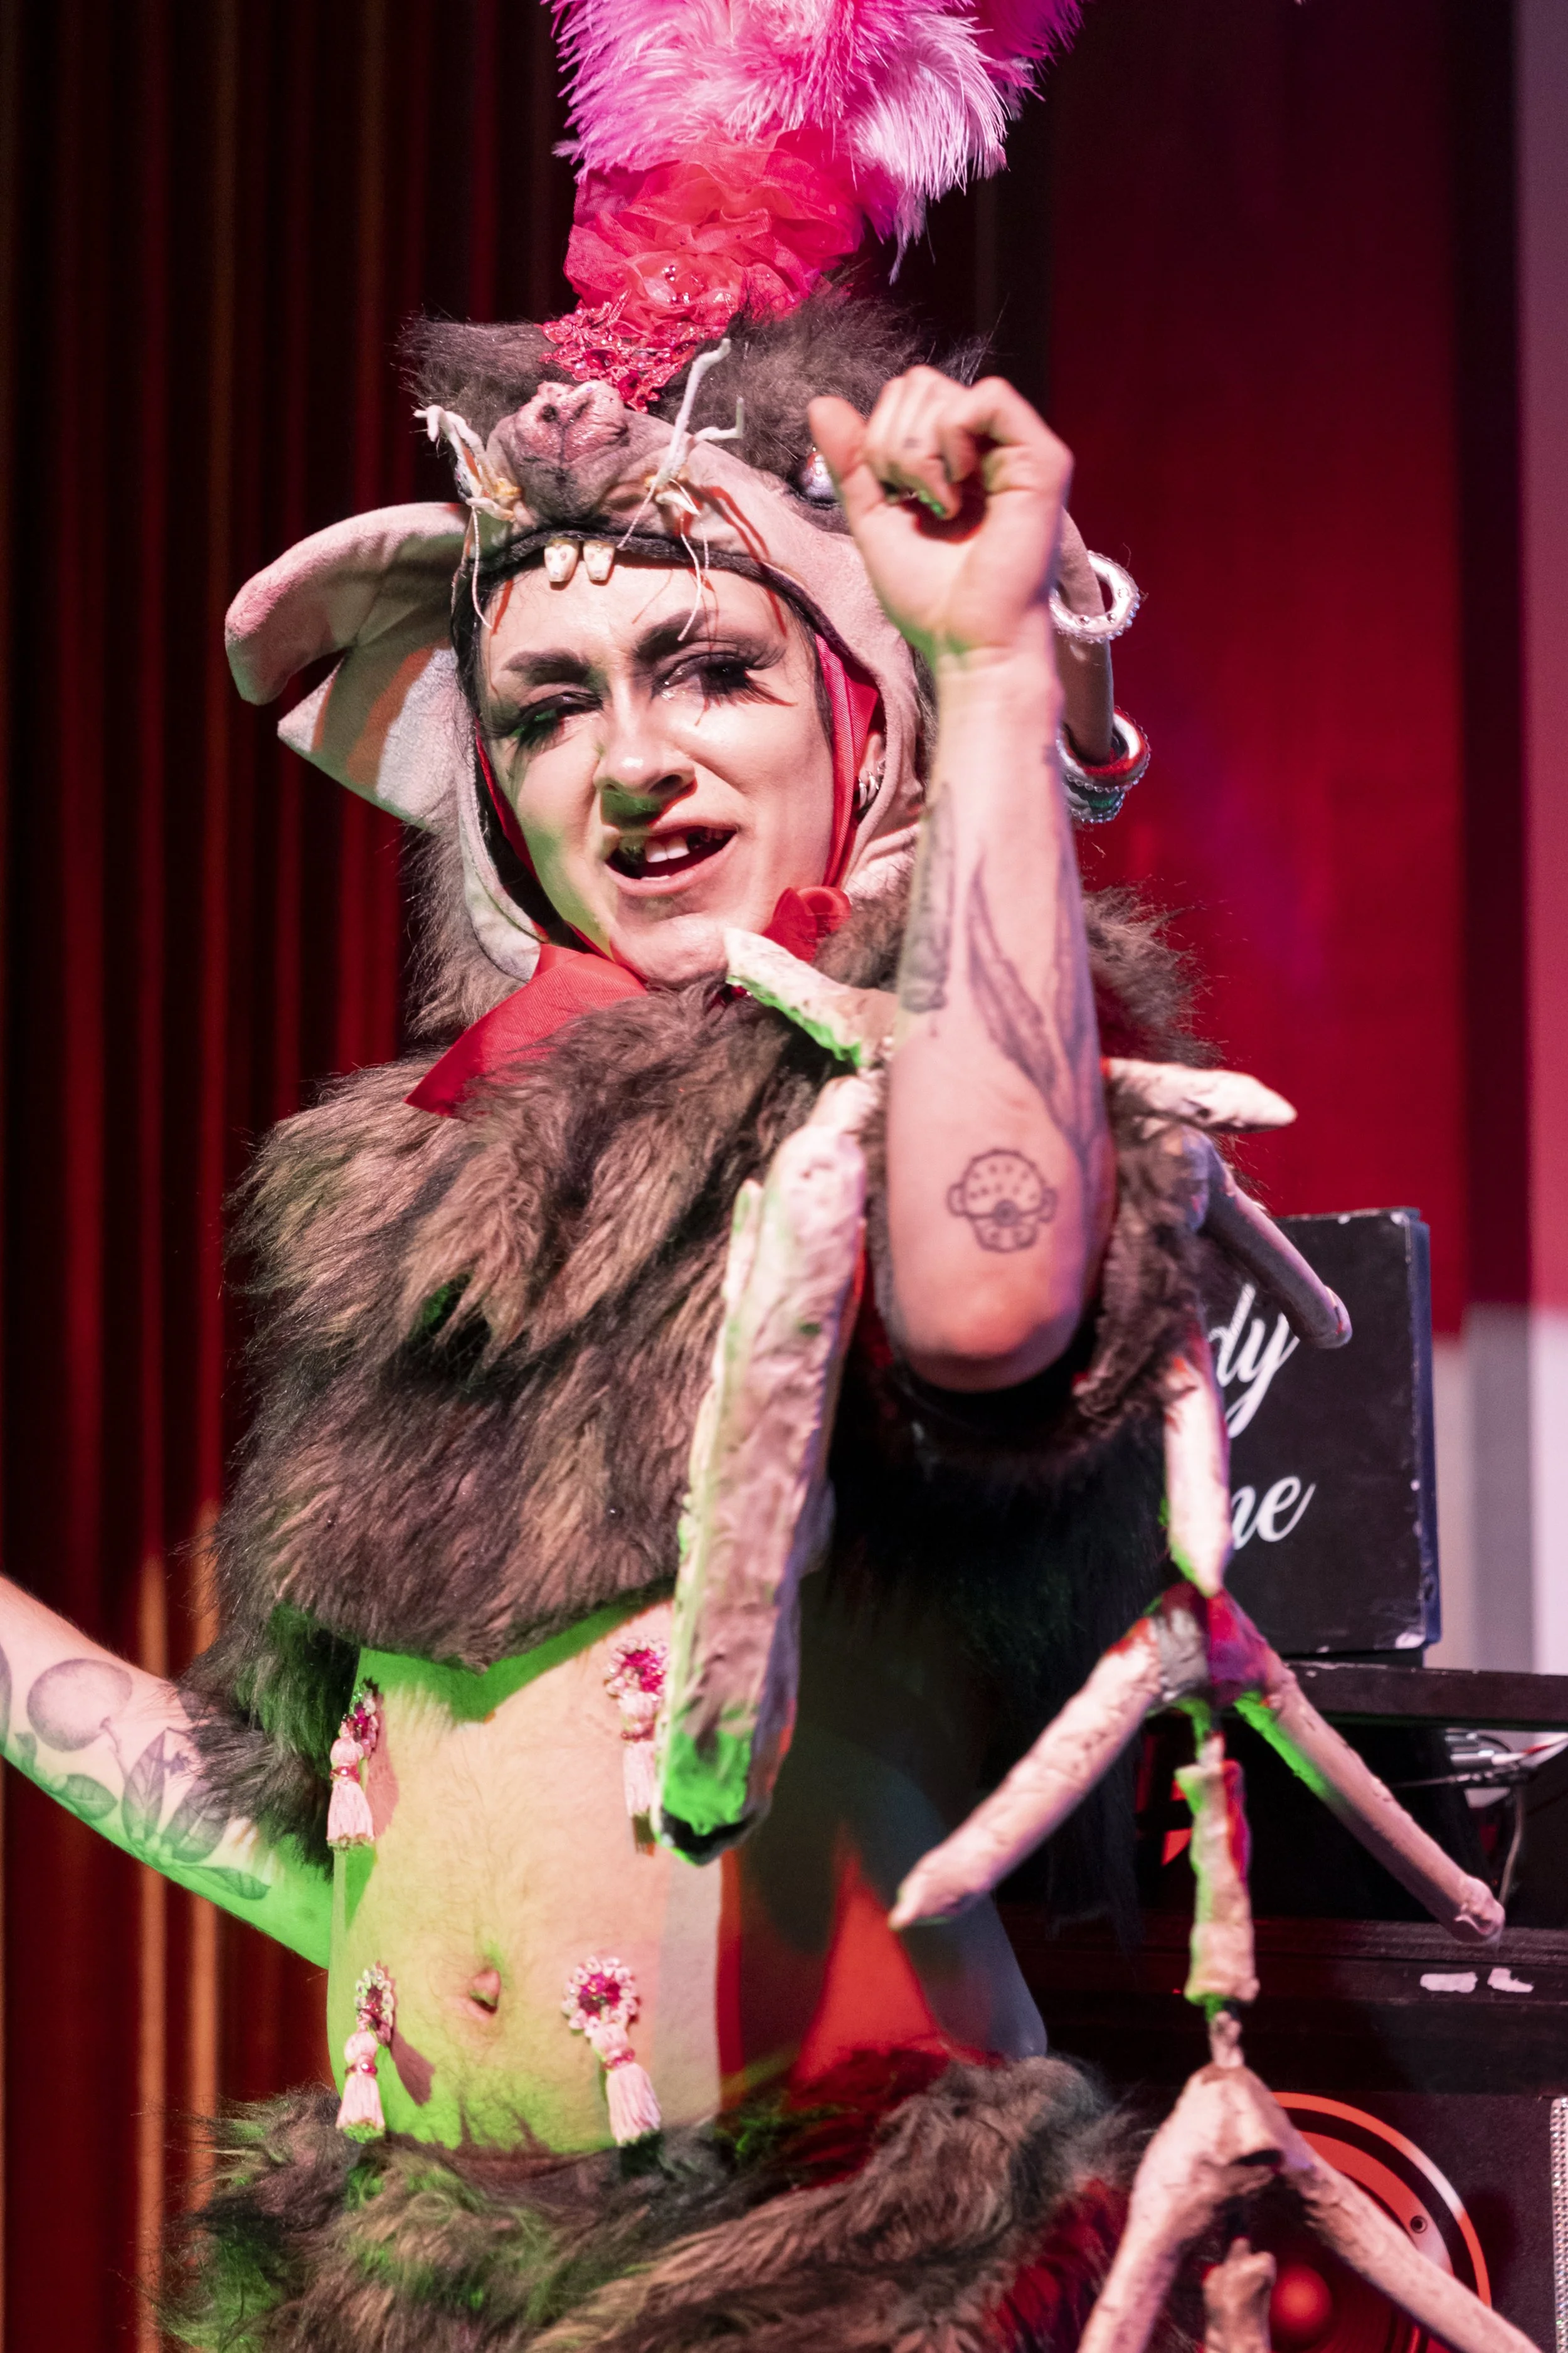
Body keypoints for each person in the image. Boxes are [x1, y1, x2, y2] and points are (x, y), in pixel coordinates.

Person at [0, 5, 1250, 2345]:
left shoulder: (927, 1092)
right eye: (552, 700)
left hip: (821, 2274)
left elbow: (988, 1304)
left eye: (710, 671)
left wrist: (983, 674)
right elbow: (341, 1849)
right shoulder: (407, 1205)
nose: (631, 760)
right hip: (402, 2277)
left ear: (851, 725)